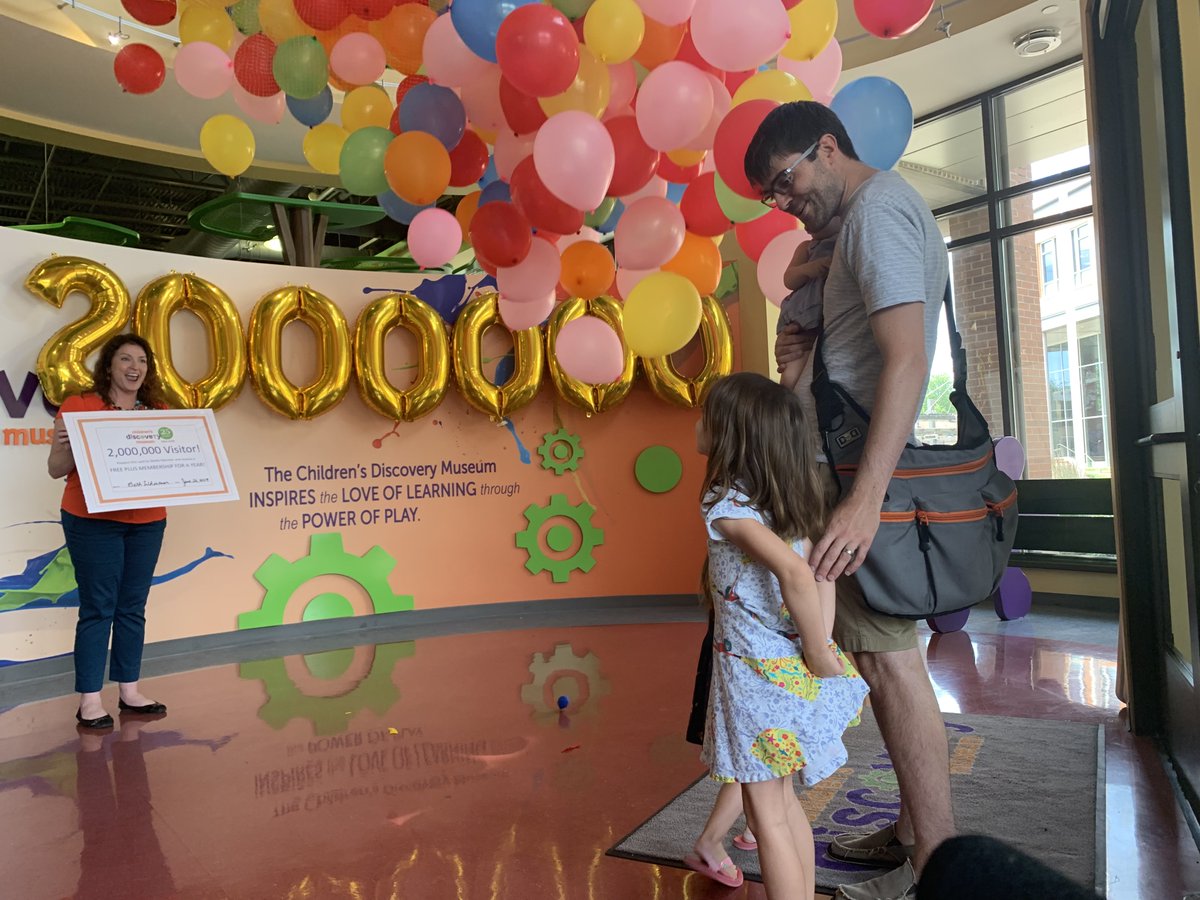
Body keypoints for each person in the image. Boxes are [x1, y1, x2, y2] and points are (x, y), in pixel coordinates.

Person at [745, 101, 953, 900]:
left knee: (887, 661)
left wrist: (863, 501)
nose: (784, 202)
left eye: (785, 182)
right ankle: (912, 829)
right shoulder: (855, 227)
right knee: (883, 653)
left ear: (827, 148)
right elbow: (850, 335)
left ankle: (936, 860)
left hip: (868, 471)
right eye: (770, 196)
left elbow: (907, 359)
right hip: (845, 458)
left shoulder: (878, 213)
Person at [695, 372, 869, 900]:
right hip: (785, 671)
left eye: (708, 415)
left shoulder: (726, 508)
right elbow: (822, 574)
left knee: (765, 814)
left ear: (733, 434)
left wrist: (818, 650)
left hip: (757, 678)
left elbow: (797, 575)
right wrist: (820, 642)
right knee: (786, 805)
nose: (698, 423)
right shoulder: (788, 505)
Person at [48, 334, 170, 729]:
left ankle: (129, 691)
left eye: (142, 361)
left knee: (132, 606)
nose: (135, 367)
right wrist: (66, 443)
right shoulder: (80, 405)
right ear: (109, 366)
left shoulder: (158, 412)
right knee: (99, 607)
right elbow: (55, 468)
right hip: (91, 520)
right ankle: (89, 699)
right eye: (125, 359)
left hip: (147, 520)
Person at [777, 215, 842, 392]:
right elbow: (789, 279)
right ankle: (785, 401)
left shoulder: (844, 242)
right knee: (793, 370)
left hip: (826, 317)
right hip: (803, 313)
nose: (807, 226)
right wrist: (809, 269)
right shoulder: (807, 248)